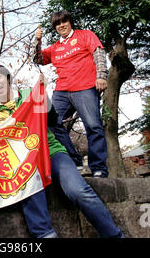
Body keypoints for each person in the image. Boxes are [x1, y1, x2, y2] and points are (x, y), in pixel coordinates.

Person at [0, 64, 123, 238]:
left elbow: (53, 121)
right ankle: (45, 234)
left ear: (8, 79)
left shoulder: (29, 95)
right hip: (23, 163)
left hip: (51, 152)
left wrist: (44, 97)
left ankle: (113, 234)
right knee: (23, 181)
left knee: (79, 191)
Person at [34, 10, 110, 178]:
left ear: (70, 21)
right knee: (49, 122)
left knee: (93, 126)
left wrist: (102, 76)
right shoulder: (55, 47)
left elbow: (98, 53)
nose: (61, 25)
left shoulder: (85, 35)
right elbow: (38, 59)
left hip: (85, 87)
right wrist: (37, 41)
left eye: (64, 21)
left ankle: (98, 168)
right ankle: (74, 161)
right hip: (62, 90)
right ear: (55, 27)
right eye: (57, 24)